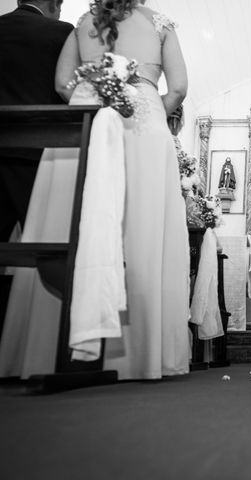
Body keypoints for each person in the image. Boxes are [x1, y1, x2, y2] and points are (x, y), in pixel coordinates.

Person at [0, 0, 191, 380]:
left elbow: (60, 84)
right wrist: (150, 107)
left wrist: (94, 101)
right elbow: (180, 88)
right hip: (143, 125)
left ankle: (49, 349)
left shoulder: (83, 22)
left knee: (68, 219)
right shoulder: (161, 23)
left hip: (86, 124)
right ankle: (138, 354)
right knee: (141, 229)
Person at [0, 0, 73, 323]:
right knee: (48, 249)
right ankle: (41, 327)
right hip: (37, 156)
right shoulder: (60, 33)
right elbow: (66, 89)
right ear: (54, 5)